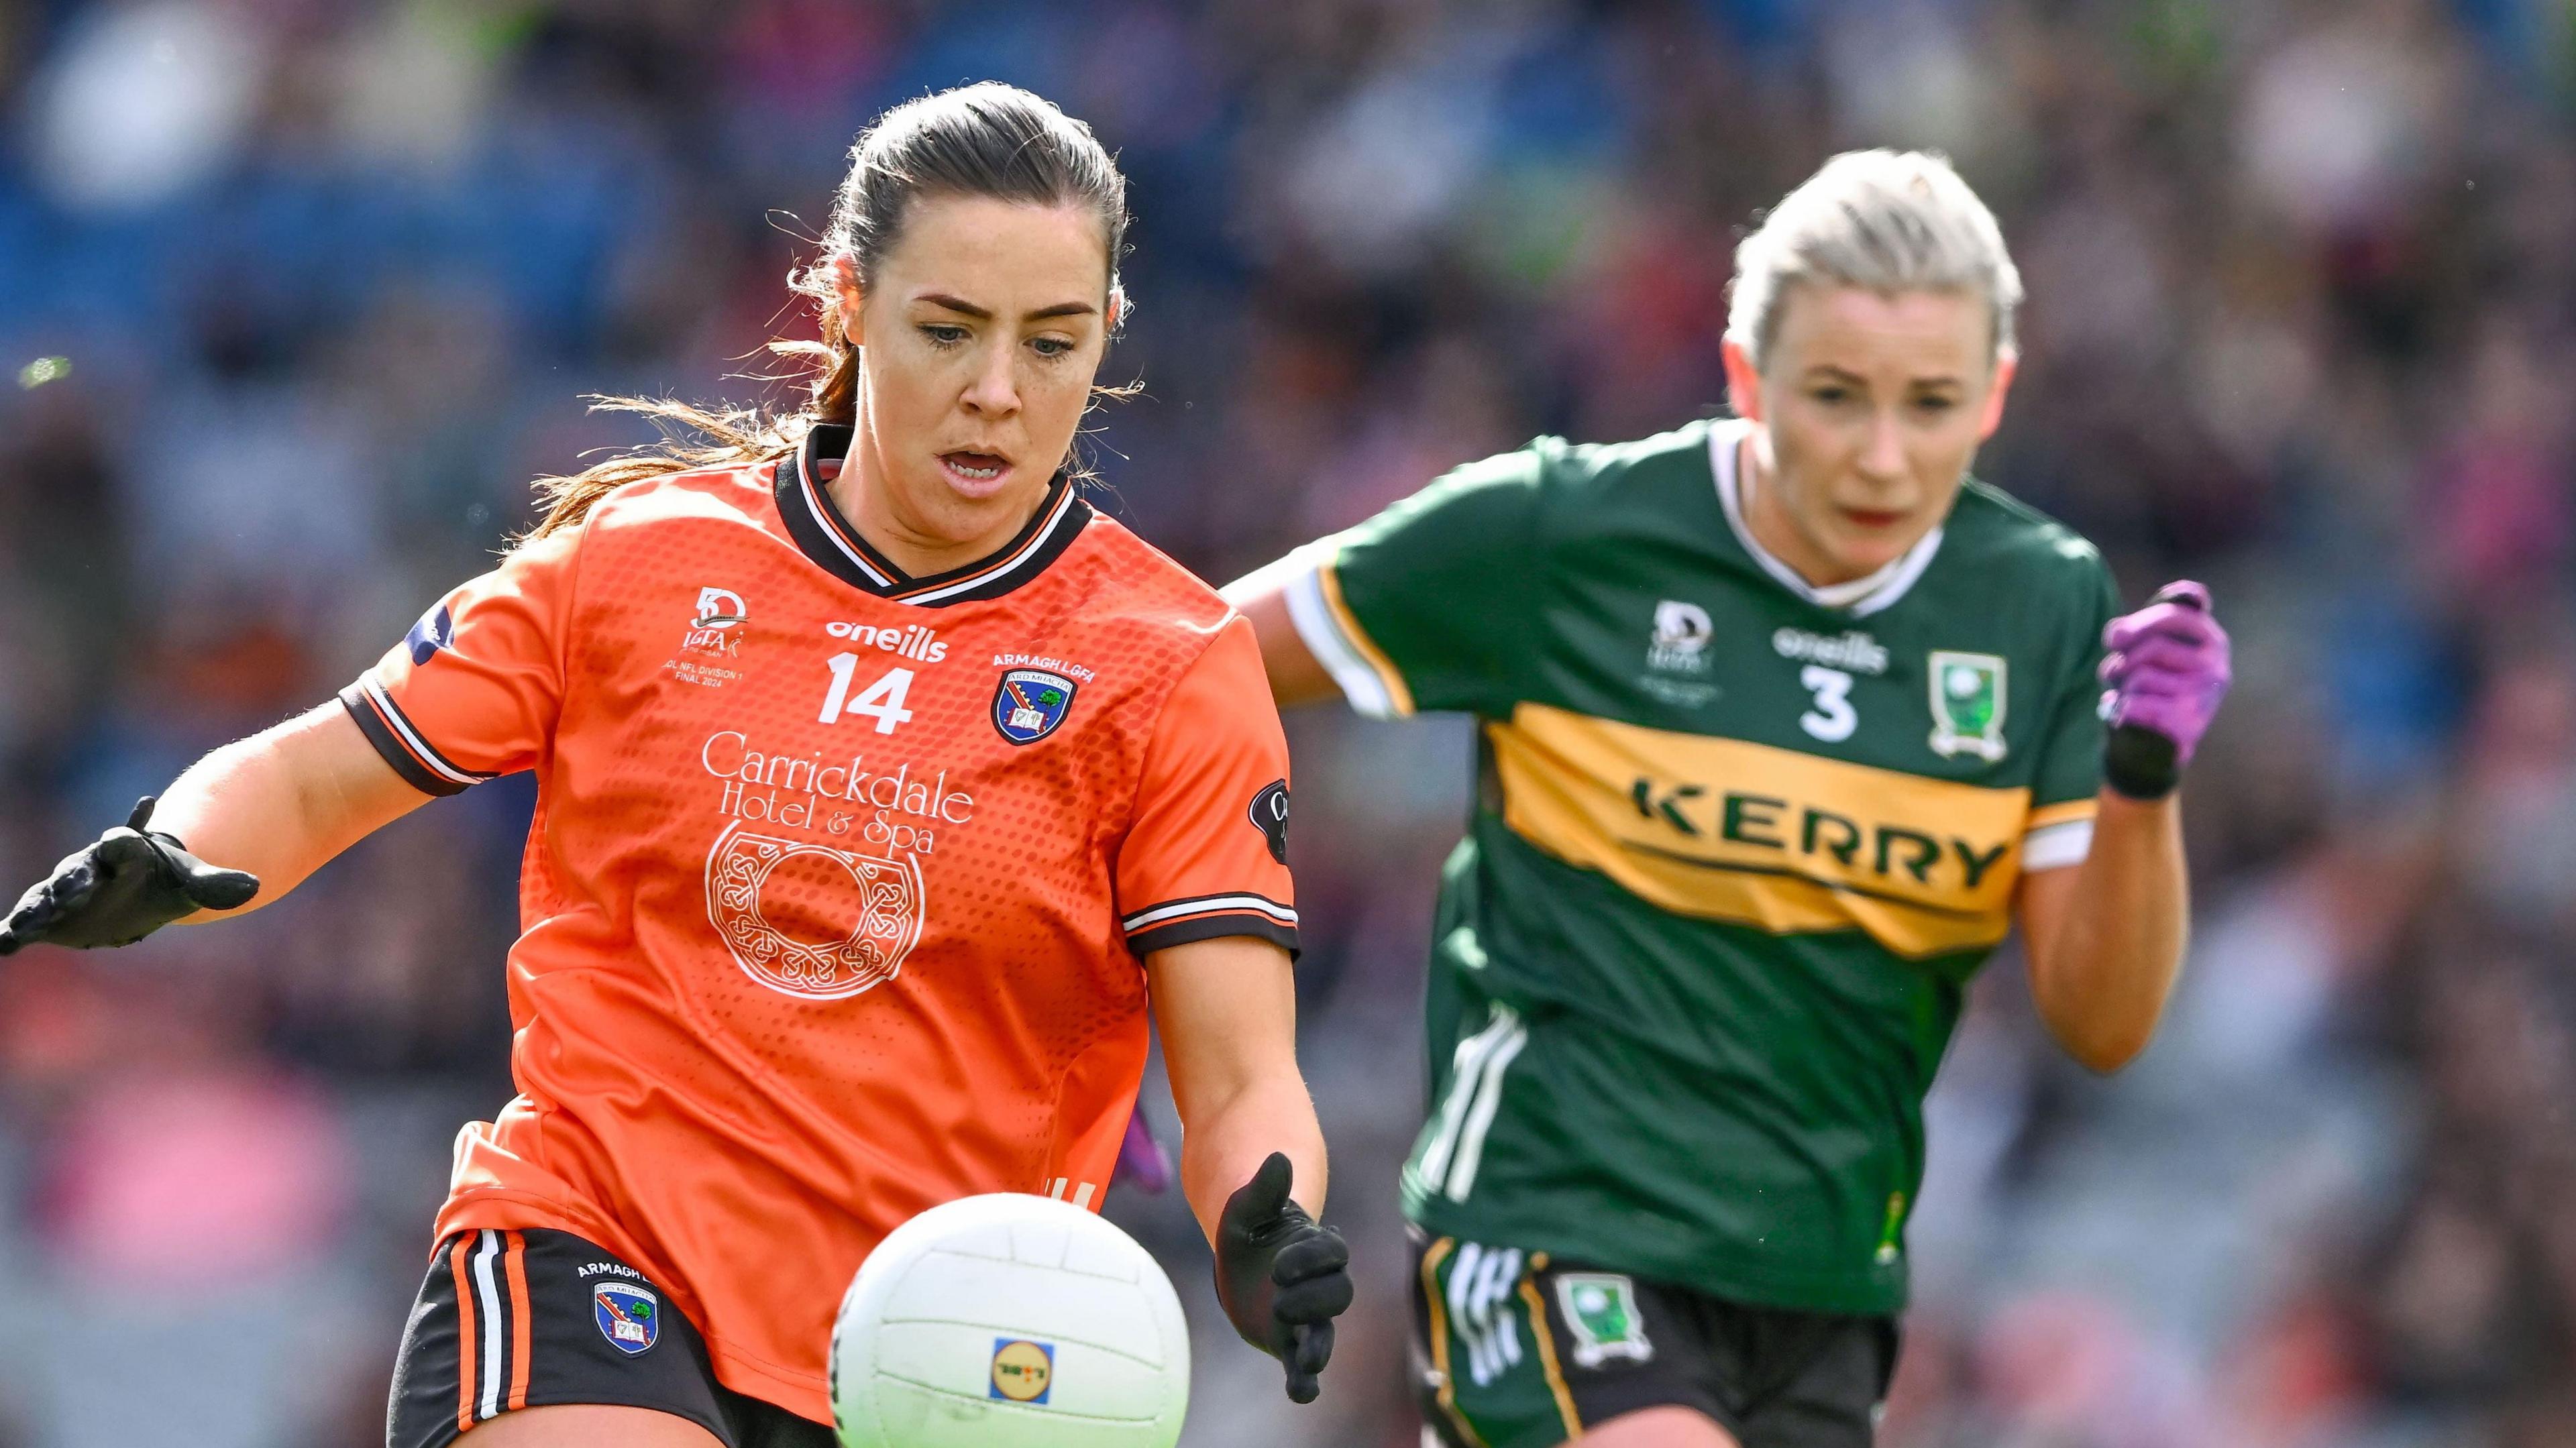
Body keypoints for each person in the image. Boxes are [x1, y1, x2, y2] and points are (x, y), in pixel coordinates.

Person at [0, 84, 1352, 1448]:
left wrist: (1263, 1240)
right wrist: (176, 844)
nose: (996, 391)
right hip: (594, 1251)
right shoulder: (637, 565)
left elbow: (1239, 1081)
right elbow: (317, 771)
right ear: (844, 300)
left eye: (1051, 343)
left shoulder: (1169, 662)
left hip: (941, 1352)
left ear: (1107, 335)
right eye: (947, 329)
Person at [1222, 150, 2231, 1448]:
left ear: (1995, 398)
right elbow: (1199, 665)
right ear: (1747, 376)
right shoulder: (1563, 535)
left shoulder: (2039, 603)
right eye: (1833, 397)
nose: (1882, 456)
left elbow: (2102, 1023)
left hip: (1821, 1289)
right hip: (1547, 1227)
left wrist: (2143, 787)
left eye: (1931, 404)